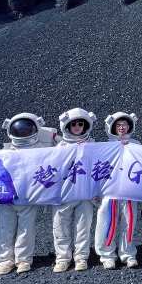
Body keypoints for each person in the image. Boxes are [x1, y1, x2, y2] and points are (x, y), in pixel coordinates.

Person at [0, 113, 58, 275]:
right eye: (20, 129)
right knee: (4, 229)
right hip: (7, 197)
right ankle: (5, 261)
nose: (23, 132)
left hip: (28, 197)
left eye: (27, 129)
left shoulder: (43, 150)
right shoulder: (6, 150)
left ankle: (23, 260)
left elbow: (61, 156)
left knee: (26, 230)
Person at [52, 108, 98, 273]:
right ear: (67, 126)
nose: (77, 127)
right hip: (63, 195)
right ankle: (63, 259)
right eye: (73, 124)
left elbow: (100, 168)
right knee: (60, 227)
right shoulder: (60, 147)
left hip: (85, 194)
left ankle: (81, 258)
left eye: (80, 124)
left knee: (83, 227)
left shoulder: (93, 145)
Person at [95, 112, 141, 269]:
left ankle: (128, 254)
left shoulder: (136, 145)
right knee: (107, 223)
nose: (122, 128)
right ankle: (107, 255)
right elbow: (95, 166)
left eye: (124, 125)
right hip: (109, 191)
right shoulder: (105, 146)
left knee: (129, 223)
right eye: (118, 125)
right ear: (112, 127)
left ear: (130, 126)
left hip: (129, 191)